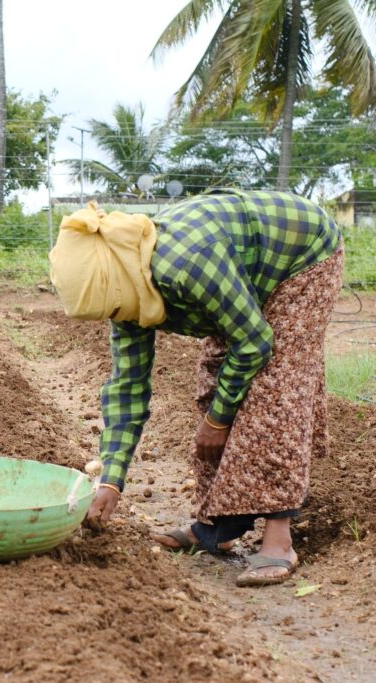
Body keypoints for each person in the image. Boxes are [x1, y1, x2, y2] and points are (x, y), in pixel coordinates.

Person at [49, 190, 343, 587]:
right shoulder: (126, 287)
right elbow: (127, 389)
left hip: (300, 255)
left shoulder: (185, 267)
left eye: (113, 311)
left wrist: (219, 421)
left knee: (276, 389)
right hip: (242, 275)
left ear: (115, 282)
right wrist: (111, 481)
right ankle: (215, 529)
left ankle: (279, 540)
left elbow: (255, 341)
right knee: (214, 381)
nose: (117, 320)